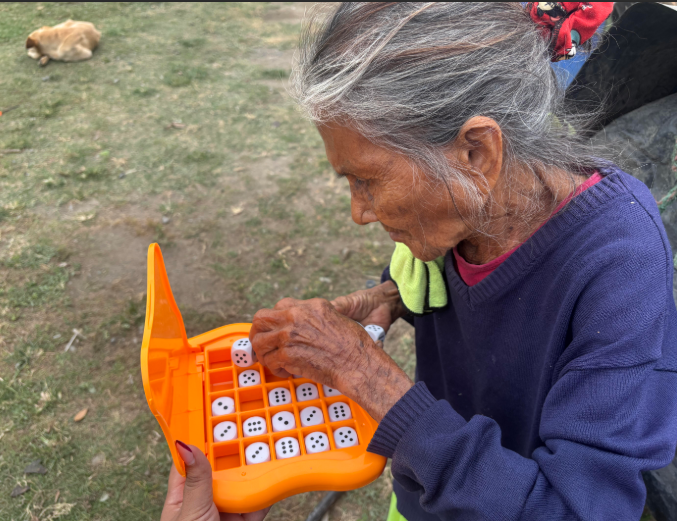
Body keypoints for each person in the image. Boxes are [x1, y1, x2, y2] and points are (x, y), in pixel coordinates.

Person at [164, 3, 677, 520]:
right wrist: (389, 297)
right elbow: (471, 295)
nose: (359, 213)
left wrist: (362, 373)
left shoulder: (619, 261)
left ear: (476, 152)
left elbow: (578, 509)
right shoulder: (463, 208)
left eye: (366, 180)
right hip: (422, 499)